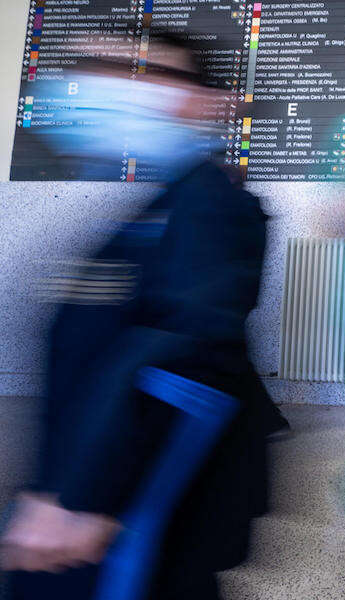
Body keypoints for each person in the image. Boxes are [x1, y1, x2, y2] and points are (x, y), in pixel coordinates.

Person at [0, 31, 273, 600]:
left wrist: (81, 497)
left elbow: (183, 362)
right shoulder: (162, 204)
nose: (114, 86)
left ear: (202, 100)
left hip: (115, 515)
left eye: (145, 71)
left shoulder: (210, 204)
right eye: (99, 66)